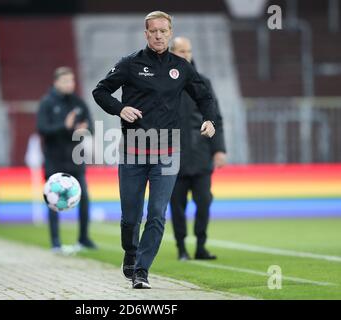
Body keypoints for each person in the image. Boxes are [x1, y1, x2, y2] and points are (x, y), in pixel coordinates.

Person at [92, 11, 216, 289]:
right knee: (131, 216)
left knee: (158, 213)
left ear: (170, 33)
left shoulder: (181, 67)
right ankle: (131, 251)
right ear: (145, 34)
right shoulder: (129, 64)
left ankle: (142, 271)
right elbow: (100, 91)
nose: (158, 35)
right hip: (133, 149)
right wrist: (120, 108)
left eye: (163, 31)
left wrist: (209, 119)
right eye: (153, 31)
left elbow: (204, 95)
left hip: (167, 150)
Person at [169, 37, 227, 261]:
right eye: (181, 51)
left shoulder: (203, 83)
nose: (186, 55)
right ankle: (181, 248)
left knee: (204, 202)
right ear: (172, 53)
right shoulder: (162, 84)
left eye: (189, 51)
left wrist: (219, 149)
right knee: (177, 206)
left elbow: (216, 118)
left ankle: (201, 246)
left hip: (201, 155)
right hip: (173, 158)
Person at [37, 66, 97, 252]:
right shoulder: (47, 103)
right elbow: (42, 129)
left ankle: (84, 238)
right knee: (53, 199)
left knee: (84, 198)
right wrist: (65, 126)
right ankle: (56, 241)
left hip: (75, 159)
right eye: (65, 81)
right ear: (56, 83)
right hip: (54, 160)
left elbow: (91, 129)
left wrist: (83, 131)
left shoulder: (79, 103)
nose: (69, 84)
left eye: (71, 80)